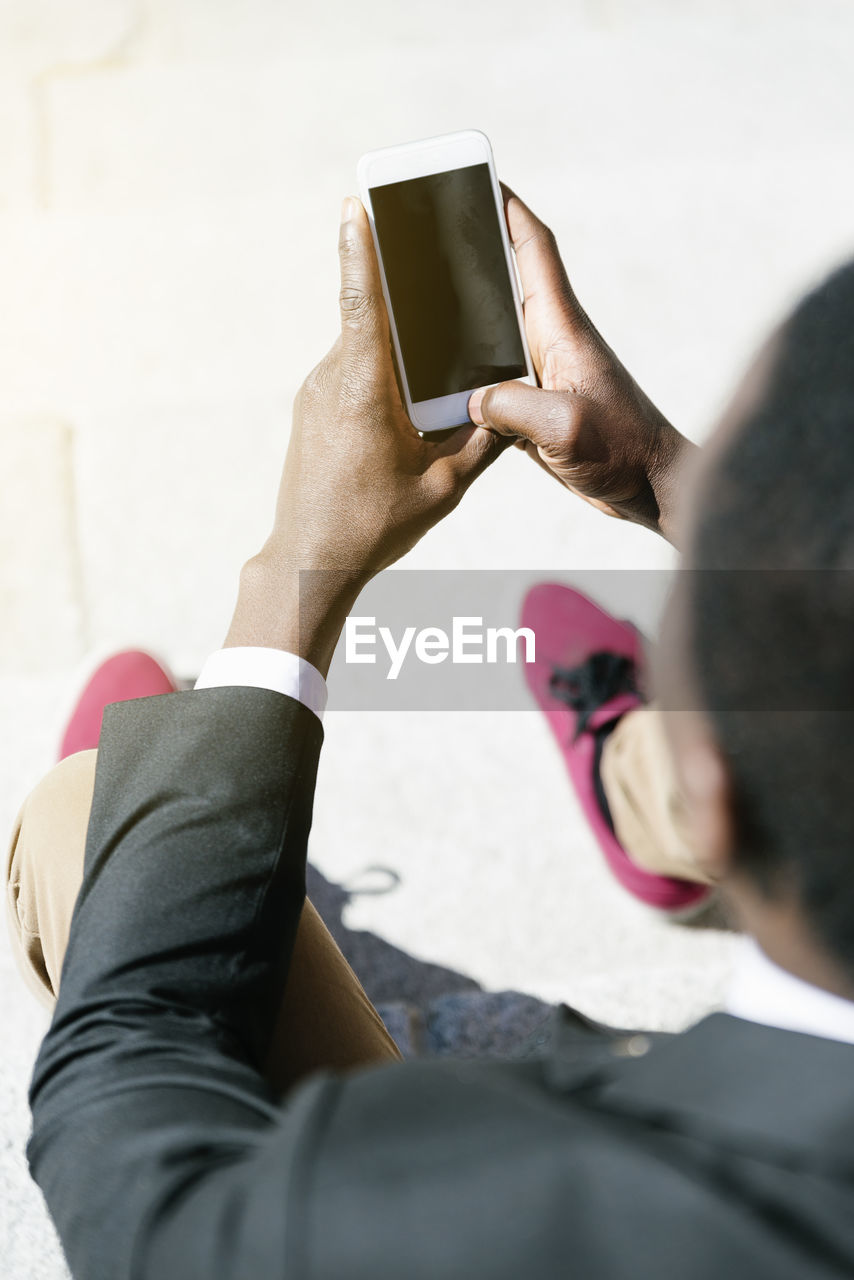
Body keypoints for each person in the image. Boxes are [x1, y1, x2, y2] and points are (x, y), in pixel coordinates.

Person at [8, 187, 854, 1278]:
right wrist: (655, 471)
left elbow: (133, 1147)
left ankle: (315, 920)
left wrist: (293, 580)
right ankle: (581, 806)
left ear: (714, 790)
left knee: (94, 815)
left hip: (504, 1128)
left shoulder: (483, 1216)